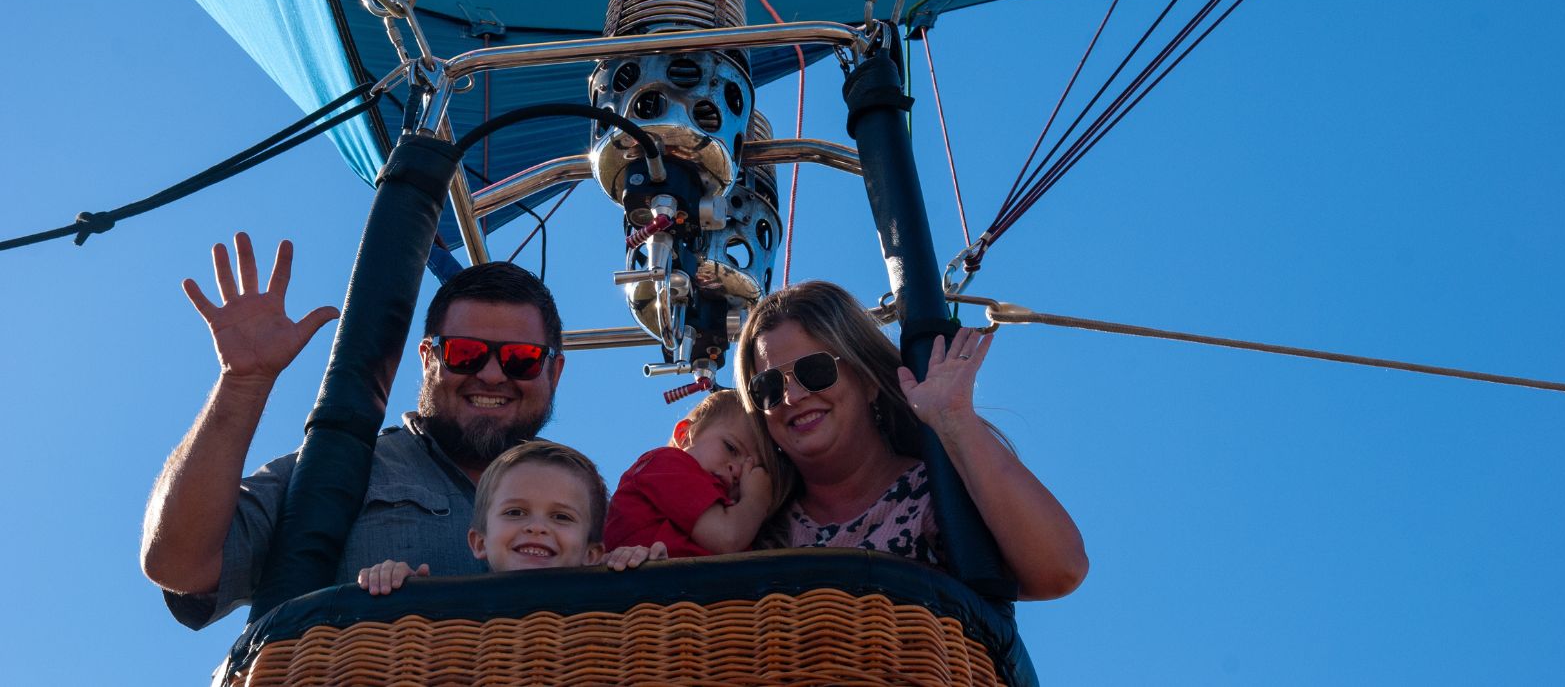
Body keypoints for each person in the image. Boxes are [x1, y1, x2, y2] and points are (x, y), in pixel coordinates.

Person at [140, 232, 569, 629]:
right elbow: (178, 563)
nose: (492, 376)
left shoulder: (579, 498)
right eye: (466, 353)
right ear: (428, 359)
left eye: (522, 359)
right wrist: (242, 382)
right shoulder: (337, 468)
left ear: (555, 371)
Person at [732, 281, 1089, 600]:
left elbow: (1059, 569)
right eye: (769, 387)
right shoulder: (754, 524)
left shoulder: (941, 493)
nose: (793, 397)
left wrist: (955, 421)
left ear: (867, 380)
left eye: (815, 371)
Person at [358, 441, 668, 595]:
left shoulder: (607, 608)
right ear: (479, 541)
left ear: (592, 553)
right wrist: (394, 587)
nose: (536, 527)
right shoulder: (450, 613)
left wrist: (644, 573)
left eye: (561, 516)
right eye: (515, 512)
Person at [603, 391, 785, 558]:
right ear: (684, 434)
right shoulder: (667, 464)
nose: (738, 471)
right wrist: (756, 498)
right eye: (731, 448)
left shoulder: (738, 516)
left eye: (750, 471)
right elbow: (727, 537)